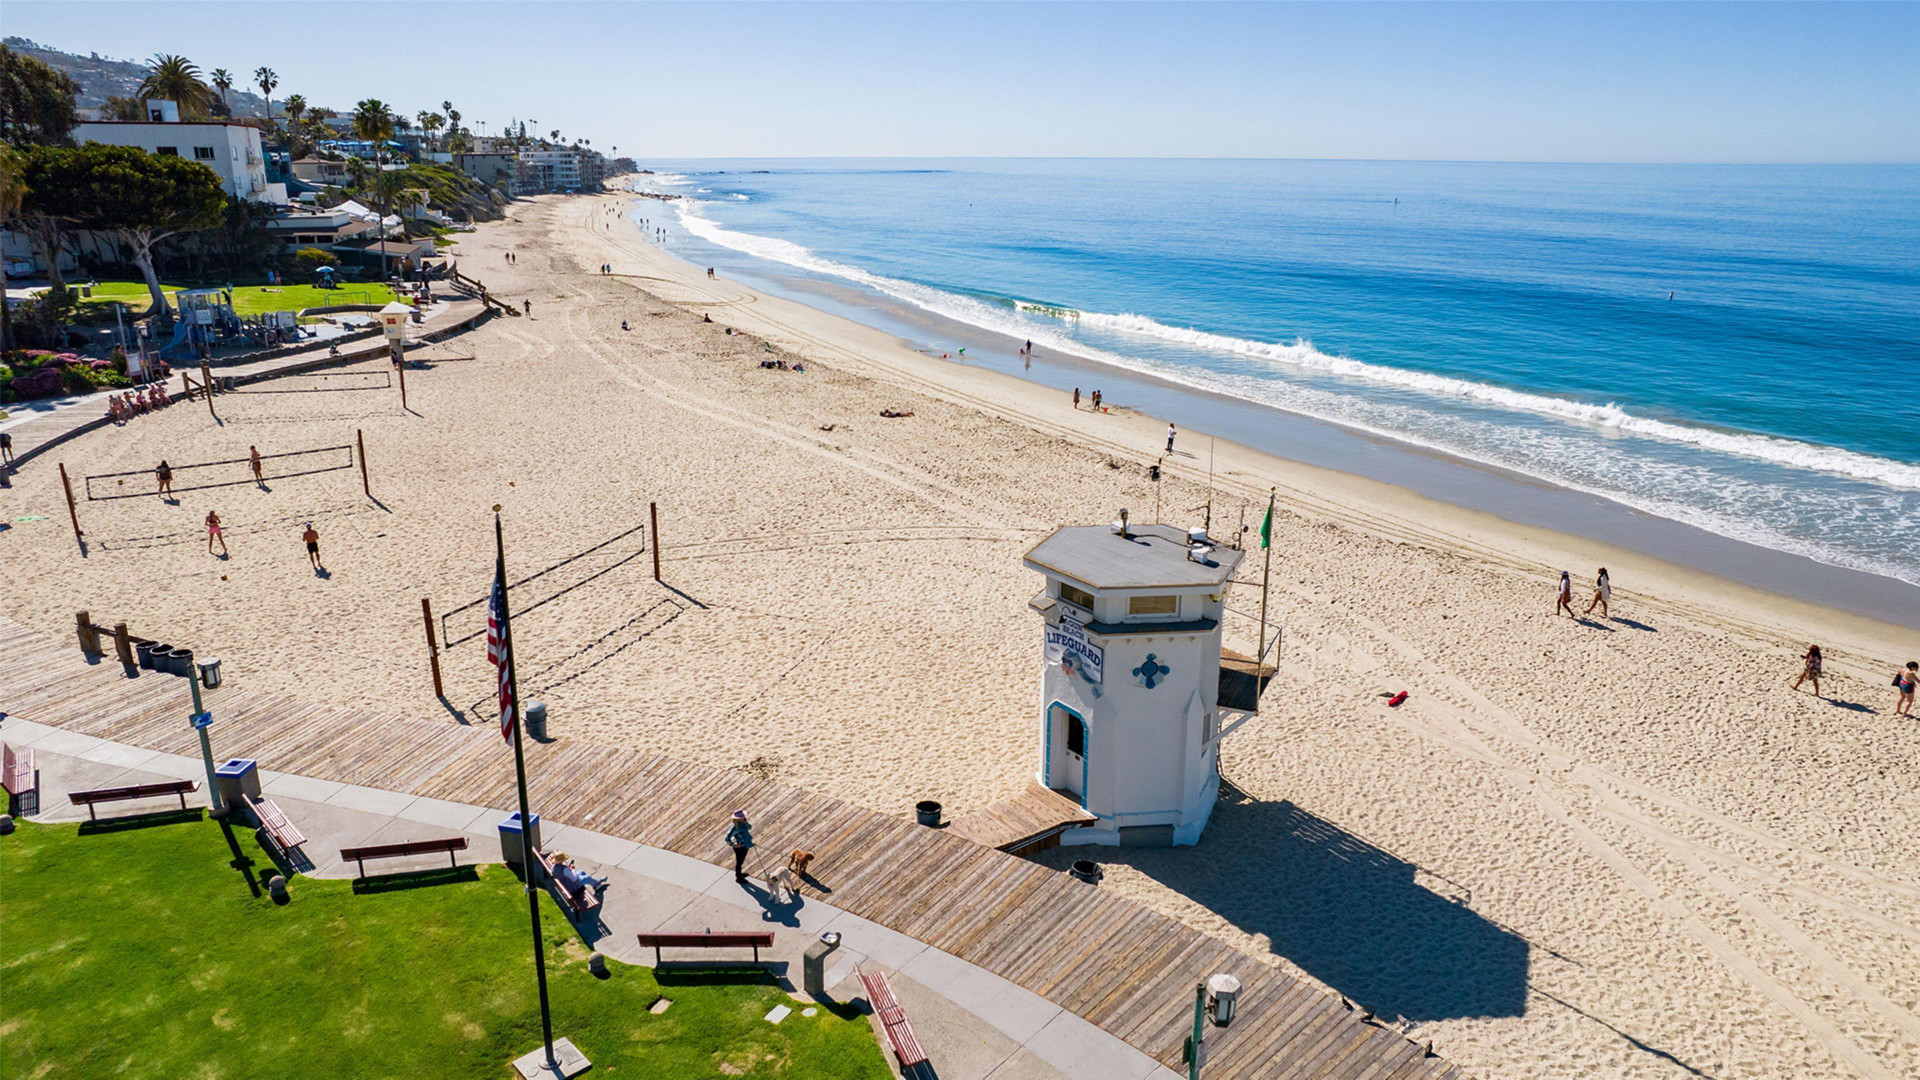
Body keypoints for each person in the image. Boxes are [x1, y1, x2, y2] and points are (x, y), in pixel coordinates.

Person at [725, 809, 754, 883]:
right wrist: (733, 844)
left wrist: (746, 822)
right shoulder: (734, 827)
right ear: (737, 819)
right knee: (739, 862)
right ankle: (739, 877)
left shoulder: (743, 824)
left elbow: (749, 827)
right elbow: (727, 837)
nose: (744, 817)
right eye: (742, 817)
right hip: (739, 848)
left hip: (745, 845)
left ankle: (740, 874)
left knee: (741, 861)